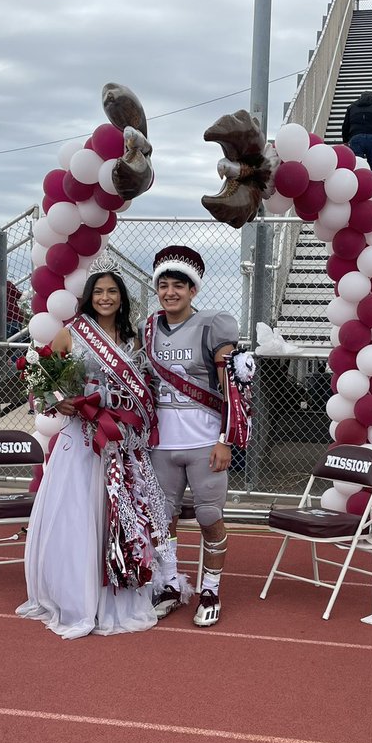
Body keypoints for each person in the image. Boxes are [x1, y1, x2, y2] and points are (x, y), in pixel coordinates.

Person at [18, 261, 168, 639]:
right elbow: (40, 383)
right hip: (82, 441)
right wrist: (59, 402)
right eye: (99, 292)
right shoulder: (71, 333)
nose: (105, 298)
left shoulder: (134, 340)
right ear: (89, 298)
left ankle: (117, 589)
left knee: (116, 514)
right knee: (78, 516)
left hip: (120, 441)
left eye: (112, 292)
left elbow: (145, 387)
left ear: (122, 299)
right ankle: (77, 596)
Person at [145, 245, 238, 628]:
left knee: (209, 515)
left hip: (203, 442)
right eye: (163, 285)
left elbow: (234, 388)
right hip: (162, 444)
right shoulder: (147, 327)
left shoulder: (213, 325)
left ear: (193, 290)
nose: (170, 292)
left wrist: (225, 439)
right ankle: (169, 584)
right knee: (161, 518)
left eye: (178, 286)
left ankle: (211, 588)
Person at [341, 91, 372, 173]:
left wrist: (345, 140)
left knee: (358, 164)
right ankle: (371, 182)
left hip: (356, 137)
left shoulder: (351, 107)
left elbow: (345, 125)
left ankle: (359, 182)